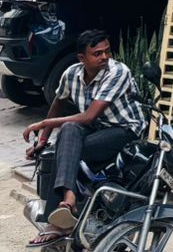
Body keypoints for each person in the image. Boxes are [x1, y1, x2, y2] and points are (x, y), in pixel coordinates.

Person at [23, 31, 146, 240]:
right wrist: (42, 140)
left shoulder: (117, 72)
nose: (105, 57)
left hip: (125, 130)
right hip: (97, 128)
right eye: (97, 53)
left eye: (107, 51)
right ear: (82, 58)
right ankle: (69, 201)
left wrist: (43, 123)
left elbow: (89, 117)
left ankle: (57, 218)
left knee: (66, 150)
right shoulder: (71, 74)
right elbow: (57, 104)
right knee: (69, 130)